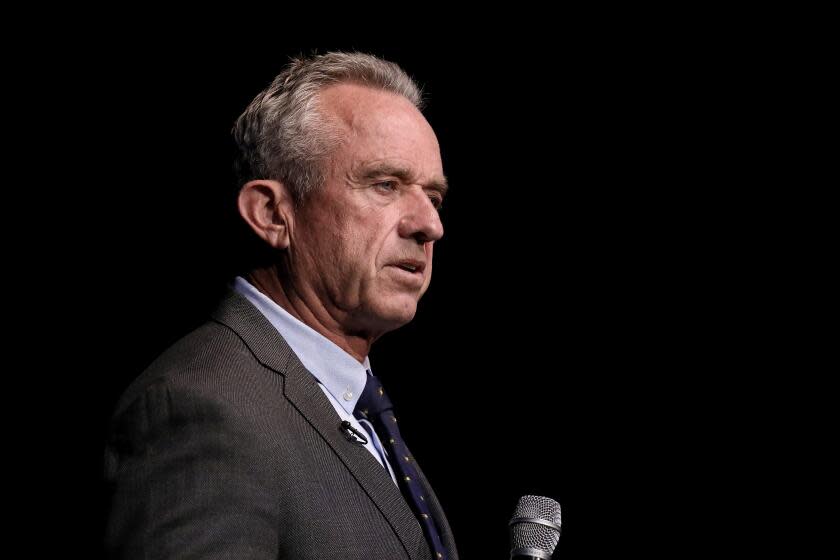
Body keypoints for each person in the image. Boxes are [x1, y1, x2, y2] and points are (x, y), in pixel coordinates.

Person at [103, 51, 458, 560]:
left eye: (435, 197)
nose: (430, 225)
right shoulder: (200, 410)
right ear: (273, 214)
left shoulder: (353, 403)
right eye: (386, 185)